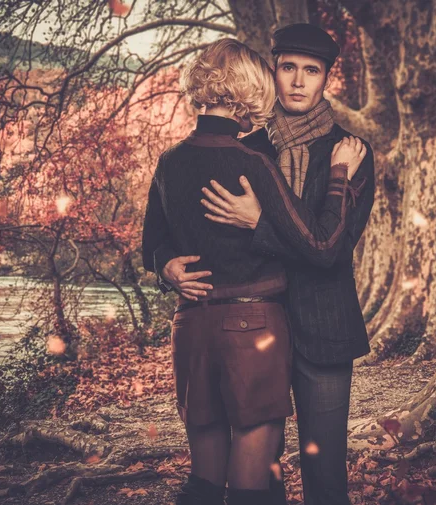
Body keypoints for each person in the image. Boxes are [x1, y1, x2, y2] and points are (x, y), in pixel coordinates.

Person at [154, 24, 375, 505]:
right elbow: (178, 231)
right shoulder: (247, 149)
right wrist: (164, 264)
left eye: (311, 71)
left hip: (323, 327)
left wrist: (258, 224)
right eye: (288, 68)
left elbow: (331, 249)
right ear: (271, 74)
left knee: (324, 474)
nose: (297, 81)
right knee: (259, 475)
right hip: (255, 330)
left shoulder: (352, 153)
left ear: (325, 80)